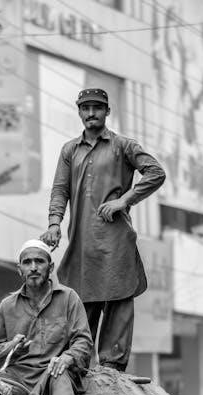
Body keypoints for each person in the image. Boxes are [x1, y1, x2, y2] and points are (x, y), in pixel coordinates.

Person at [41, 88, 166, 371]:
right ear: (79, 112)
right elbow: (60, 190)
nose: (91, 113)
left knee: (118, 300)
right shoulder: (70, 150)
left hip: (116, 241)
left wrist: (125, 200)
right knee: (80, 308)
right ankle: (78, 367)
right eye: (85, 108)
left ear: (107, 111)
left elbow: (156, 172)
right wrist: (54, 223)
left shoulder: (123, 146)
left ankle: (112, 370)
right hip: (82, 244)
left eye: (97, 108)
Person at [0, 239, 93, 395]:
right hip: (17, 379)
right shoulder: (7, 305)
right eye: (27, 262)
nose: (33, 267)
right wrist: (11, 347)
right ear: (20, 269)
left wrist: (67, 357)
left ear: (50, 267)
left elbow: (83, 340)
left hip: (52, 374)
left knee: (59, 372)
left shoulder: (69, 298)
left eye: (39, 261)